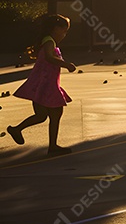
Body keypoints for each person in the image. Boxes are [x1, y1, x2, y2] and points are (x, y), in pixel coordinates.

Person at [8, 14, 77, 155]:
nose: (64, 34)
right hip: (46, 84)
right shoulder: (49, 41)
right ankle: (51, 146)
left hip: (46, 83)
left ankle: (18, 130)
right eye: (64, 30)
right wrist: (66, 65)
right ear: (55, 28)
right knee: (54, 113)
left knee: (43, 115)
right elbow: (49, 57)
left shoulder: (48, 41)